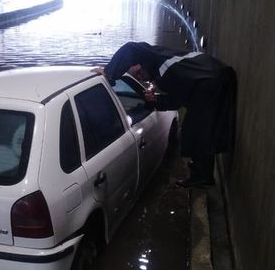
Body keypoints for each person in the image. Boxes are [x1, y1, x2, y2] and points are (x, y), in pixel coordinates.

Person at [92, 42, 236, 188]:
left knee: (196, 130)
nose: (141, 78)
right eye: (139, 77)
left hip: (210, 80)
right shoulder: (161, 57)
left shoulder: (159, 65)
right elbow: (176, 98)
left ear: (140, 63)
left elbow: (130, 48)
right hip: (216, 74)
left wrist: (109, 72)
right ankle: (203, 174)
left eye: (139, 74)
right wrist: (156, 93)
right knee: (203, 129)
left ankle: (202, 176)